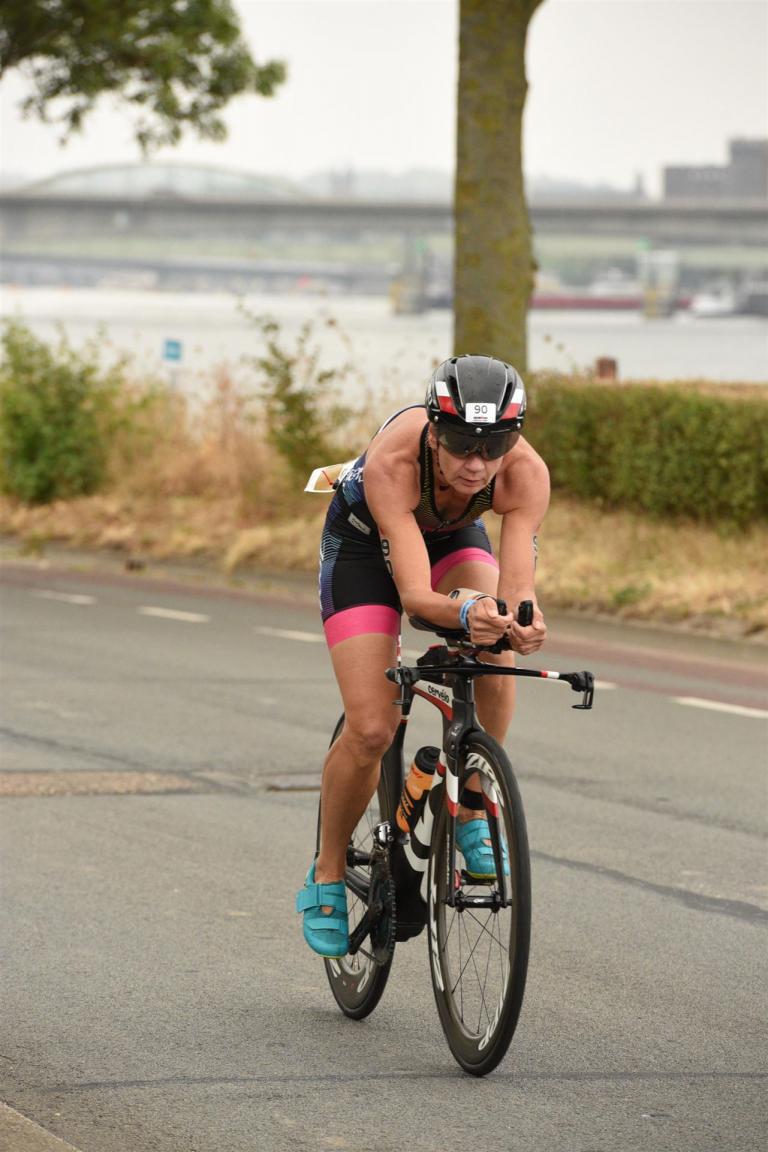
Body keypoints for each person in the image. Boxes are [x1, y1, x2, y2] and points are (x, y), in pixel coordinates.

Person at [296, 354, 550, 957]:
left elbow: (517, 588)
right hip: (364, 548)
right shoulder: (395, 460)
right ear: (434, 431)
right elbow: (415, 597)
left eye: (493, 447)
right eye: (461, 444)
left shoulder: (525, 473)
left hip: (452, 537)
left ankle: (471, 804)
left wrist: (521, 621)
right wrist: (464, 612)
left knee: (496, 639)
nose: (476, 464)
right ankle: (327, 869)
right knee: (372, 727)